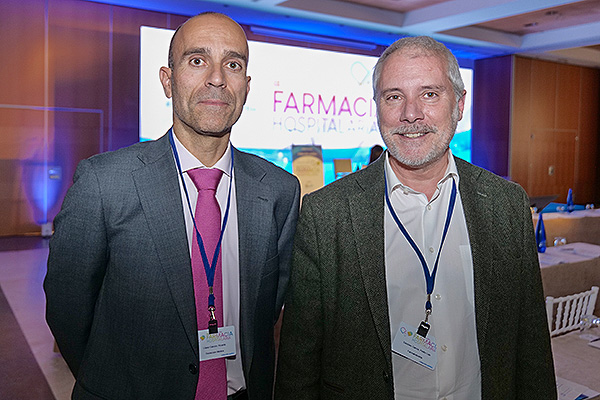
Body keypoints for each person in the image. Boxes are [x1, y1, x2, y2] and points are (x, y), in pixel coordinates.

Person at [275, 36, 556, 399]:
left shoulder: (506, 205)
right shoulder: (326, 215)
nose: (410, 114)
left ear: (459, 104)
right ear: (377, 107)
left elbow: (531, 347)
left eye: (429, 94)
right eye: (394, 96)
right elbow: (299, 366)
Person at [45, 12, 300, 400]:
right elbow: (68, 308)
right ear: (168, 81)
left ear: (246, 87)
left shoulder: (280, 191)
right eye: (197, 60)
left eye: (233, 64)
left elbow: (269, 310)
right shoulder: (104, 182)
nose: (217, 78)